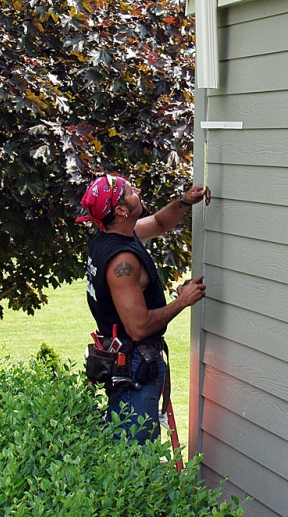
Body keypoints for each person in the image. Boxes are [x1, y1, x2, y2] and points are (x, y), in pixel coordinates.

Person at [76, 173, 211, 442]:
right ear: (121, 210)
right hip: (134, 365)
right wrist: (182, 301)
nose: (137, 189)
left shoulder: (115, 234)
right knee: (132, 455)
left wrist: (183, 202)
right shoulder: (121, 262)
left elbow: (160, 223)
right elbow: (138, 328)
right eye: (130, 191)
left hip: (126, 359)